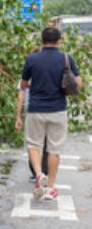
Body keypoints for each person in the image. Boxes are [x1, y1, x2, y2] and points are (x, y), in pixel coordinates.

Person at [20, 27, 82, 201]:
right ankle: (50, 188)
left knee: (34, 145)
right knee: (54, 149)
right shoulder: (66, 58)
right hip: (58, 110)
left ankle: (39, 174)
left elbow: (24, 84)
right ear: (58, 42)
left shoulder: (32, 59)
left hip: (36, 109)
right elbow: (78, 84)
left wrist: (38, 84)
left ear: (41, 41)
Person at [15, 47, 48, 183]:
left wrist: (18, 117)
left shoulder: (26, 76)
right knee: (46, 145)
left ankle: (36, 173)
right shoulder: (47, 74)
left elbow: (20, 96)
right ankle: (45, 172)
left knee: (33, 144)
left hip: (32, 112)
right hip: (49, 111)